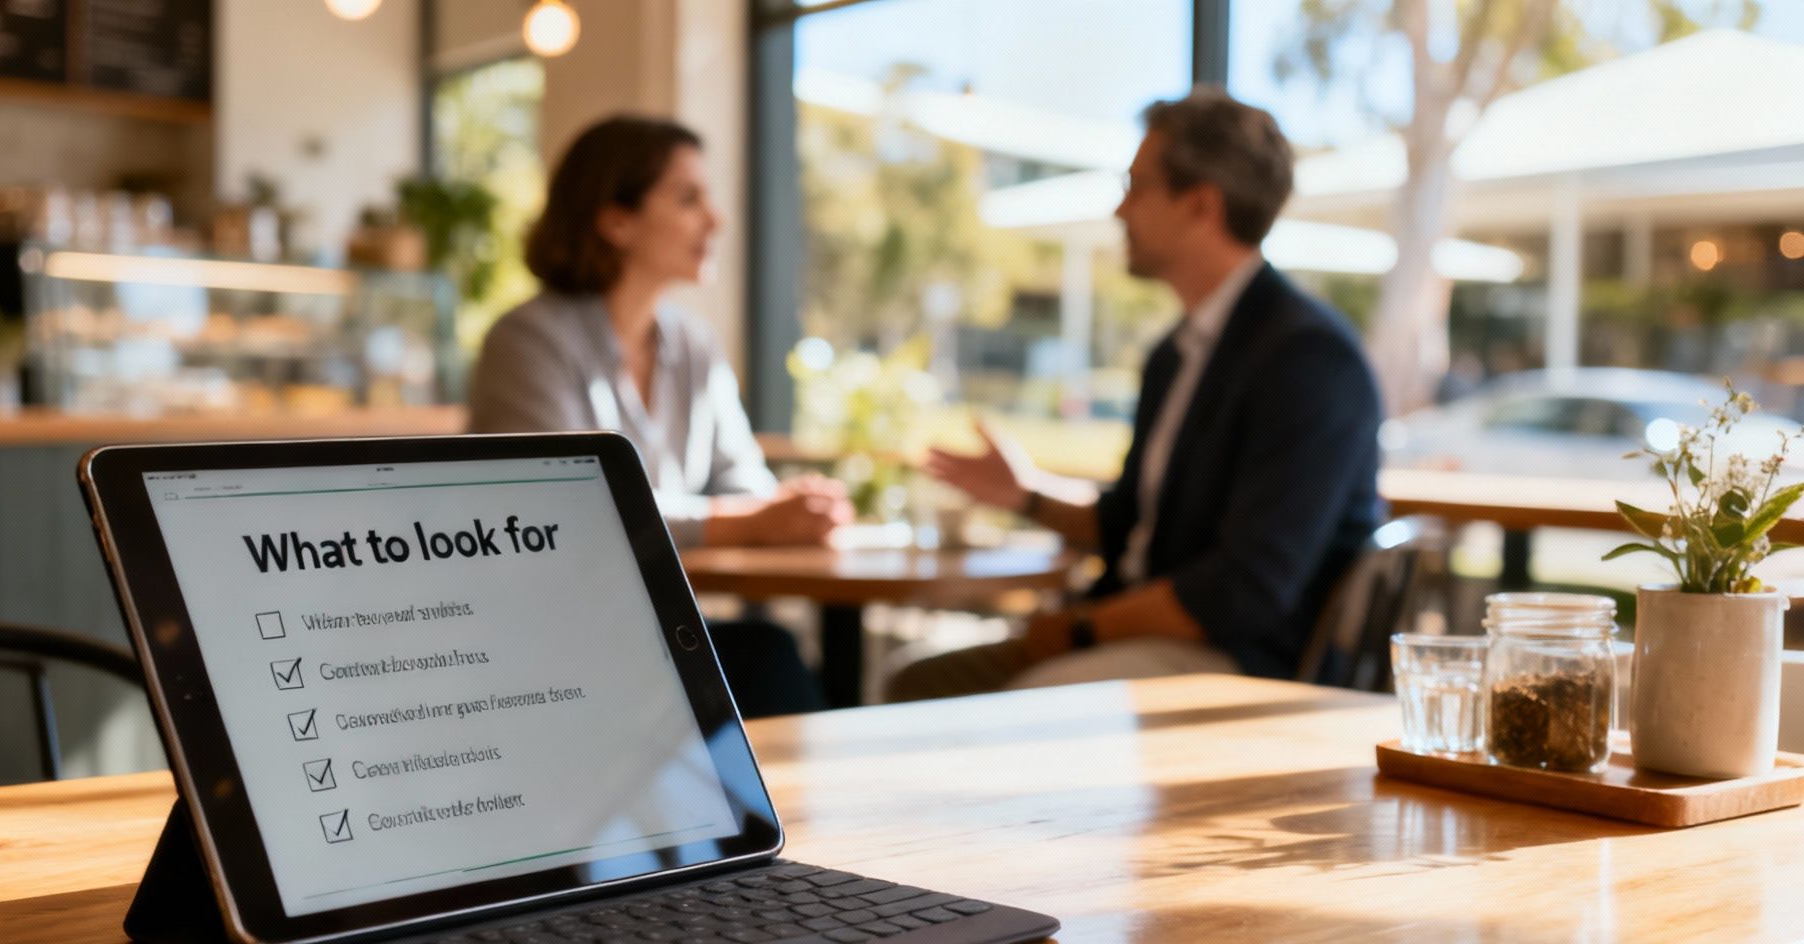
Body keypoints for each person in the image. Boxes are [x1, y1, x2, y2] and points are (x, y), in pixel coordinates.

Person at [887, 88, 1382, 701]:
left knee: (1019, 701)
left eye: (1137, 186)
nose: (1119, 209)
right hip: (1141, 639)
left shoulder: (1308, 360)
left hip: (1242, 664)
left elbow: (1243, 590)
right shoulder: (1178, 354)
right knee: (915, 680)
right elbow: (1132, 523)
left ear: (1200, 204)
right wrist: (1025, 495)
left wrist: (1082, 629)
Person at [471, 115, 850, 716]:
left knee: (770, 658)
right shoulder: (526, 343)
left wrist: (789, 513)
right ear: (616, 221)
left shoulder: (693, 343)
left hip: (662, 634)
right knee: (769, 662)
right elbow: (565, 512)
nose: (716, 219)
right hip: (553, 647)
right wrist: (748, 522)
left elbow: (741, 480)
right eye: (688, 198)